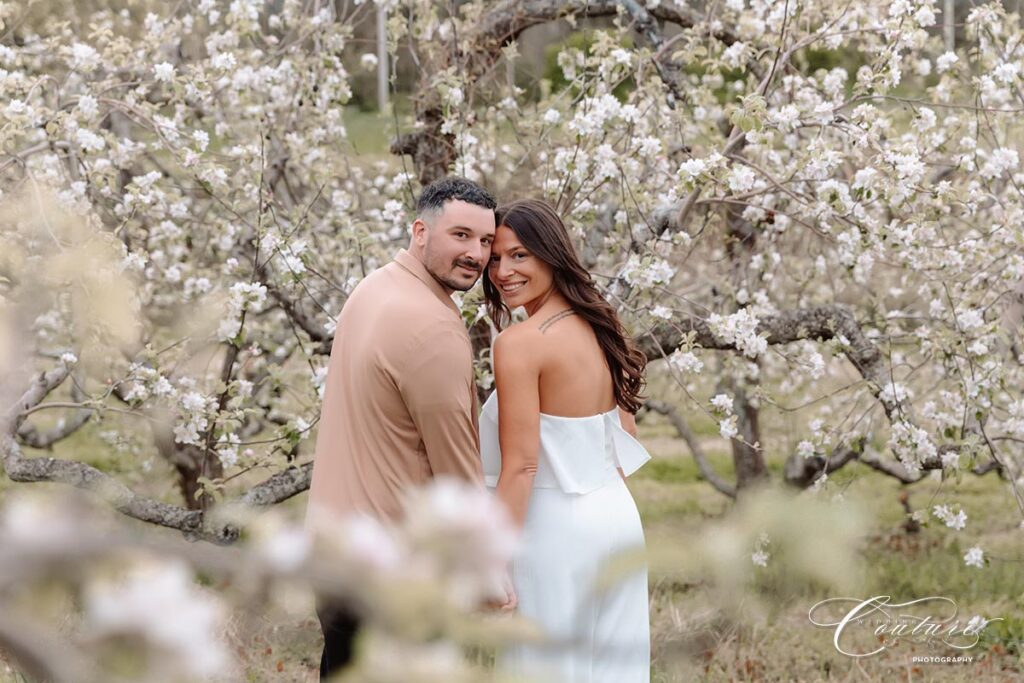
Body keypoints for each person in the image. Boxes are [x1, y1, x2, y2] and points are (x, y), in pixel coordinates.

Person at [306, 176, 507, 679]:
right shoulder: (433, 326)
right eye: (461, 235)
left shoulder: (372, 287)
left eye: (486, 241)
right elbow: (456, 463)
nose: (477, 254)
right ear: (421, 231)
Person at [480, 198, 652, 682]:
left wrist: (490, 560)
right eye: (495, 258)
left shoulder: (518, 342)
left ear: (551, 254)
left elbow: (521, 467)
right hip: (617, 518)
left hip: (553, 529)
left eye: (519, 255)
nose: (502, 271)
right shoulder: (601, 323)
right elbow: (624, 435)